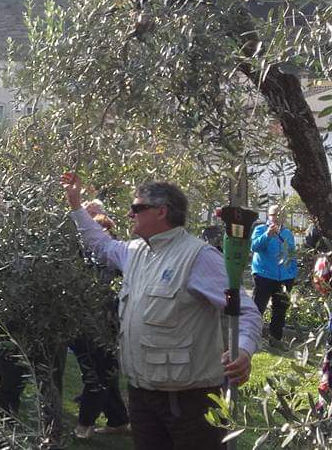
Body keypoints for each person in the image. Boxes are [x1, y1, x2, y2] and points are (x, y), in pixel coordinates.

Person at [61, 172, 261, 449]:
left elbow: (246, 310)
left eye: (136, 207)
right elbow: (101, 244)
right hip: (142, 395)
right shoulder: (134, 252)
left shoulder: (198, 257)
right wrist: (75, 205)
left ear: (161, 211)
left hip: (190, 401)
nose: (130, 214)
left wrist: (244, 350)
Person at [71, 212, 130, 439]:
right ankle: (118, 420)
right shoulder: (81, 258)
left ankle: (84, 424)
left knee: (98, 375)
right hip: (85, 323)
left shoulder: (116, 262)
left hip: (107, 326)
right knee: (104, 373)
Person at [250, 204, 298, 347]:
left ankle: (275, 340)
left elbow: (292, 254)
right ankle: (251, 339)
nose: (277, 218)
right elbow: (254, 247)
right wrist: (267, 235)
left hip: (284, 278)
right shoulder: (260, 229)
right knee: (257, 308)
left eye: (280, 215)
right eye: (274, 215)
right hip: (264, 275)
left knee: (280, 310)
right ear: (268, 216)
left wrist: (293, 273)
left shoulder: (288, 234)